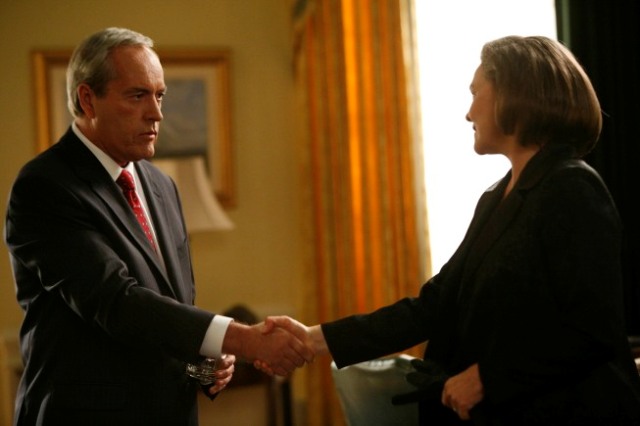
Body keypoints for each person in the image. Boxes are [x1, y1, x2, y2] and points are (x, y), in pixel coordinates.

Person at [261, 35, 640, 425]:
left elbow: (593, 330)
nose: (468, 113)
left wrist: (487, 377)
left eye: (476, 92)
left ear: (514, 95)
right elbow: (436, 305)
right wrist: (312, 338)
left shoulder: (572, 188)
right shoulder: (496, 197)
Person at [4, 27, 312, 426]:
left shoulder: (161, 185)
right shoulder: (45, 186)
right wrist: (242, 338)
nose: (157, 113)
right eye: (137, 96)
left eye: (159, 95)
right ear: (87, 99)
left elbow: (169, 309)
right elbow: (116, 303)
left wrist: (201, 367)